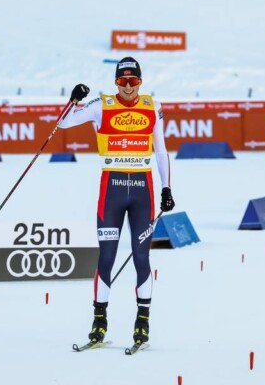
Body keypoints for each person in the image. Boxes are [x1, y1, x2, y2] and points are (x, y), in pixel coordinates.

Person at [60, 57, 175, 347]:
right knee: (107, 258)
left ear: (140, 82)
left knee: (141, 257)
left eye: (133, 81)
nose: (127, 86)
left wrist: (166, 188)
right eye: (122, 81)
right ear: (115, 82)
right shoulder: (101, 106)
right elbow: (64, 124)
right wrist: (74, 100)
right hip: (111, 190)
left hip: (142, 191)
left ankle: (142, 322)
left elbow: (161, 152)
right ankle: (99, 323)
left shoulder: (153, 107)